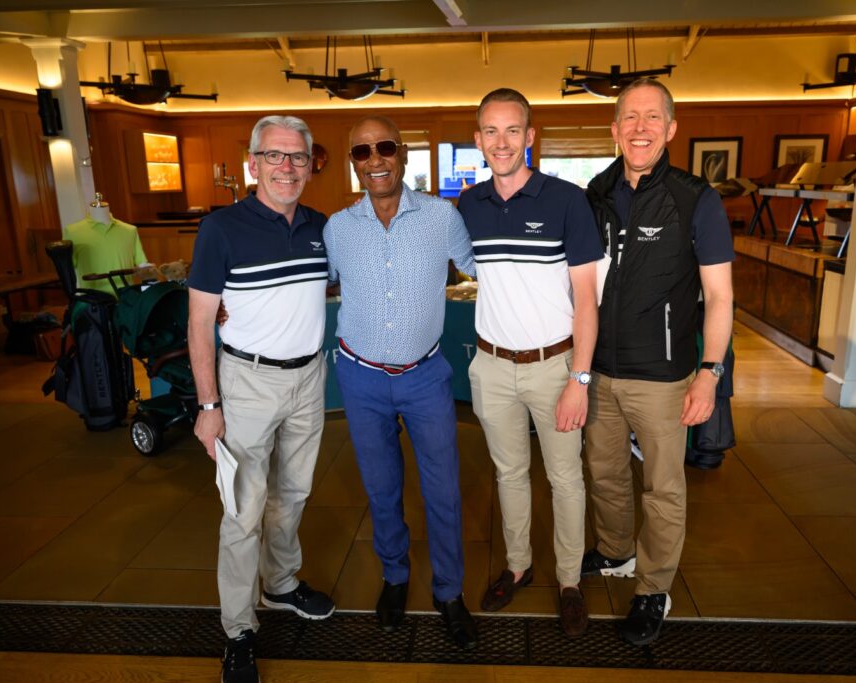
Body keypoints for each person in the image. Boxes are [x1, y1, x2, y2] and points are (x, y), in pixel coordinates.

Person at [582, 78, 734, 646]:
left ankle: (653, 588)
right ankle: (616, 551)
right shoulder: (596, 191)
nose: (640, 127)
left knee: (663, 487)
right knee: (604, 472)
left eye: (652, 117)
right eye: (630, 117)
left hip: (664, 375)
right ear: (615, 129)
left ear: (670, 129)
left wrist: (709, 373)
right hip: (599, 370)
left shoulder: (696, 199)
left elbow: (719, 296)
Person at [187, 115, 335, 683]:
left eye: (297, 157)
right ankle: (238, 630)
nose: (286, 167)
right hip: (246, 382)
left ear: (309, 166)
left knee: (293, 494)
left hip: (309, 379)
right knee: (242, 510)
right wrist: (208, 406)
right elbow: (199, 324)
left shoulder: (321, 227)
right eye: (274, 156)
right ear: (253, 164)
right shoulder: (221, 228)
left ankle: (281, 584)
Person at [324, 115, 479, 649]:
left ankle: (449, 591)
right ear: (354, 163)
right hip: (361, 377)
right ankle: (394, 576)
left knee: (443, 490)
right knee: (381, 488)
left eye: (385, 147)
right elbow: (311, 285)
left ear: (403, 153)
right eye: (362, 151)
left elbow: (486, 269)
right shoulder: (338, 228)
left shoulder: (442, 216)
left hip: (425, 376)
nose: (375, 160)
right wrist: (233, 305)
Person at [457, 88, 601, 638]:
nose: (502, 142)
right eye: (491, 131)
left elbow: (586, 300)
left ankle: (569, 581)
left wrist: (579, 379)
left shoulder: (567, 201)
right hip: (492, 367)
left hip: (554, 367)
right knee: (509, 474)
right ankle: (518, 566)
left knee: (565, 478)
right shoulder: (469, 205)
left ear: (530, 136)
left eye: (512, 130)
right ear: (478, 140)